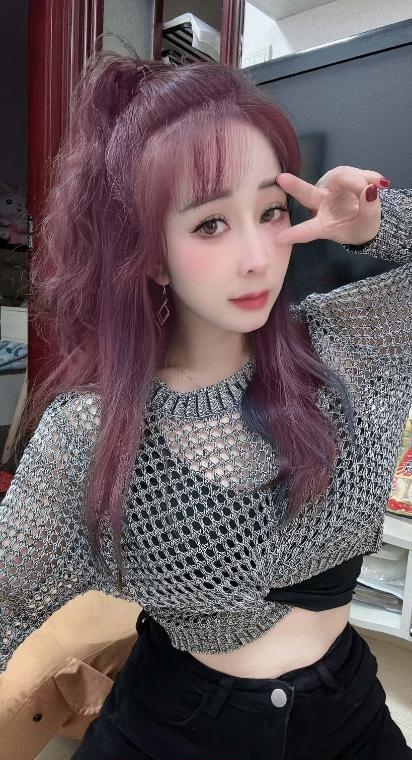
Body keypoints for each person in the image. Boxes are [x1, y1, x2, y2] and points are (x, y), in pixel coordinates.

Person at [0, 50, 411, 760]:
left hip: (345, 715)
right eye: (211, 224)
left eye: (271, 210)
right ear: (152, 253)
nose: (258, 255)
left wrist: (378, 222)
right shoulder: (91, 432)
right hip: (173, 727)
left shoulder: (344, 344)